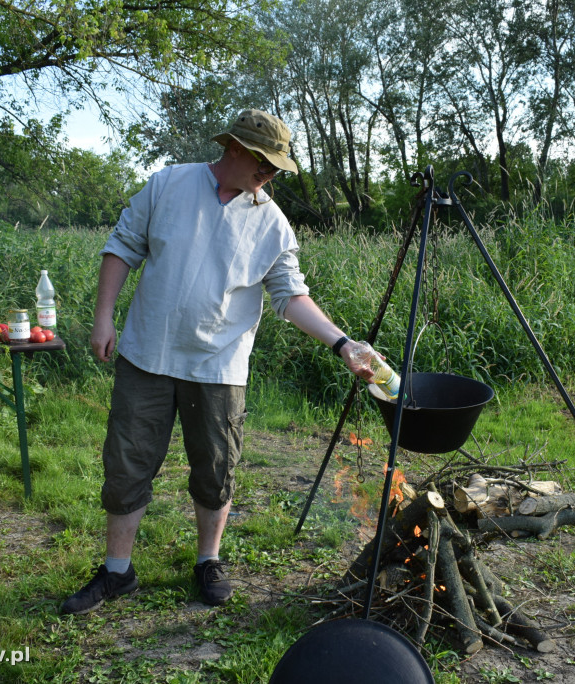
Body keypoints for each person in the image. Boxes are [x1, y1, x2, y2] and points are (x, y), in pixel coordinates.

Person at [60, 109, 372, 614]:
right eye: (262, 162)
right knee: (126, 463)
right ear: (232, 150)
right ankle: (117, 572)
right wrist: (103, 318)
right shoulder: (168, 185)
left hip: (220, 367)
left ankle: (209, 561)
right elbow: (121, 248)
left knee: (216, 469)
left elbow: (290, 295)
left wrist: (343, 344)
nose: (269, 174)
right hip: (147, 355)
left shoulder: (271, 222)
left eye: (275, 167)